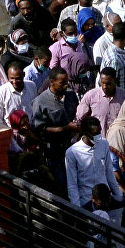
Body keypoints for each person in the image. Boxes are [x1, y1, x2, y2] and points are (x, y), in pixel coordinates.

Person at [31, 67, 80, 195]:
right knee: (60, 185)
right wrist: (66, 128)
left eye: (67, 82)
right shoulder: (40, 102)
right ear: (52, 82)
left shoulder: (70, 95)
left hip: (72, 147)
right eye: (62, 83)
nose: (66, 86)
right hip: (54, 152)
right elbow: (40, 129)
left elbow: (75, 113)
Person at [65, 116, 123, 209]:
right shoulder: (72, 152)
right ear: (85, 133)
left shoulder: (104, 144)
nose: (99, 136)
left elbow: (109, 172)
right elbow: (72, 184)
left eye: (100, 132)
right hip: (87, 200)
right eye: (96, 134)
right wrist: (77, 209)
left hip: (105, 199)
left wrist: (119, 197)